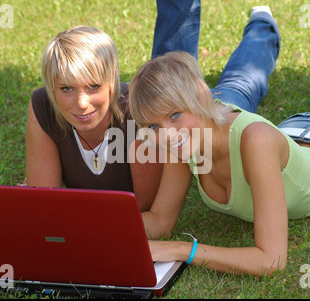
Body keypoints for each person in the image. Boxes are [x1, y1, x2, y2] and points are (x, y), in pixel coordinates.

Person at [128, 7, 310, 277]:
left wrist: (183, 250)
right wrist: (85, 231)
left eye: (175, 114)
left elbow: (270, 260)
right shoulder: (181, 144)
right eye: (154, 126)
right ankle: (262, 25)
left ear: (202, 98)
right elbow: (159, 221)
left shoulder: (255, 140)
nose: (166, 135)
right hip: (298, 132)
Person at [25, 0, 202, 211]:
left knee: (236, 89)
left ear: (113, 82)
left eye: (93, 86)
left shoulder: (138, 116)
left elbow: (141, 209)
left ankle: (254, 27)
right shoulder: (43, 105)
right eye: (66, 89)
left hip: (201, 109)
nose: (82, 104)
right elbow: (46, 206)